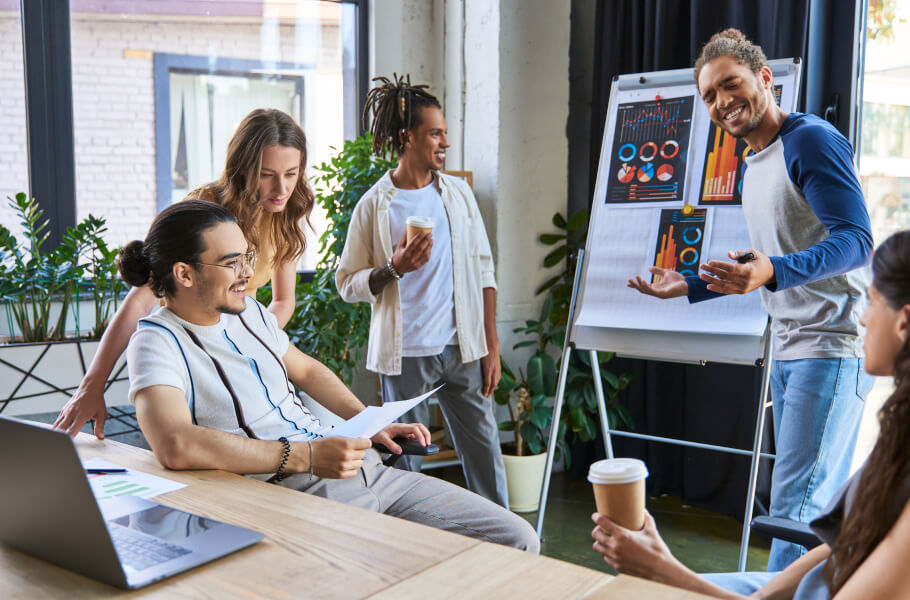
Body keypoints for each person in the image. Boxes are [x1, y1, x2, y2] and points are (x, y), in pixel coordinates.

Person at [117, 199, 539, 552]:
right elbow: (174, 443)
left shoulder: (249, 312)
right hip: (297, 489)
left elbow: (304, 368)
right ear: (184, 273)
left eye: (247, 256)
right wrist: (308, 457)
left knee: (517, 540)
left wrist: (369, 421)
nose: (248, 272)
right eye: (232, 263)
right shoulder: (157, 342)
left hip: (362, 468)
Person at [626, 29, 874, 570]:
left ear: (765, 79)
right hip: (791, 347)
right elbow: (770, 259)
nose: (720, 103)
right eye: (709, 96)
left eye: (730, 85)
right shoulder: (753, 160)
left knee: (796, 510)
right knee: (809, 506)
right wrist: (689, 285)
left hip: (831, 346)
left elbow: (856, 241)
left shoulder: (810, 140)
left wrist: (773, 270)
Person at [593, 229, 910, 599]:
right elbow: (839, 546)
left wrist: (662, 570)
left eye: (870, 302)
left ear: (903, 322)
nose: (863, 320)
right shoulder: (899, 428)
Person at [54, 108, 310, 440]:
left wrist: (252, 344)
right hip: (187, 346)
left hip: (236, 345)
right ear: (242, 169)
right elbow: (142, 300)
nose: (282, 187)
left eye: (292, 173)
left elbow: (283, 301)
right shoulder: (204, 207)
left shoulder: (286, 212)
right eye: (266, 174)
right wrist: (91, 386)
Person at [335, 75, 508, 507]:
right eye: (435, 133)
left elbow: (484, 270)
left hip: (463, 347)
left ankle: (505, 542)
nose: (444, 141)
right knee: (403, 460)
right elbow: (346, 283)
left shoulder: (460, 195)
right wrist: (394, 268)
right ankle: (403, 542)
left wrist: (492, 343)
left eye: (445, 132)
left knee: (485, 452)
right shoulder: (375, 205)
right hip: (406, 355)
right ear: (406, 137)